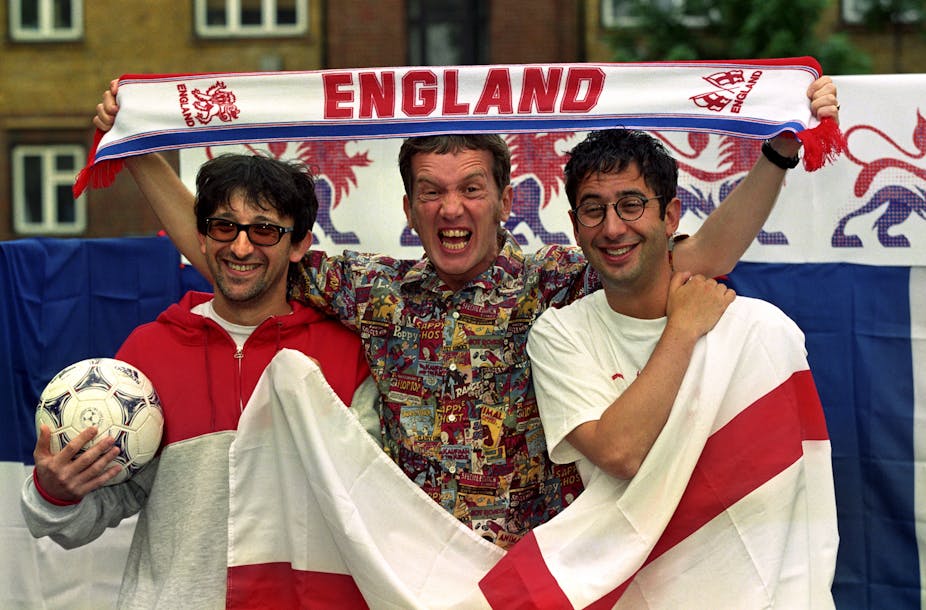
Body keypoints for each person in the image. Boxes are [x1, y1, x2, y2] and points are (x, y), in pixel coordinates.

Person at [91, 76, 839, 549]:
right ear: (410, 209)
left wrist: (775, 153)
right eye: (432, 192)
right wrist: (139, 140)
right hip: (406, 567)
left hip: (538, 567)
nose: (452, 207)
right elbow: (227, 248)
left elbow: (695, 260)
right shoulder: (369, 290)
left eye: (471, 188)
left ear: (507, 200)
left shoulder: (553, 277)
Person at [21, 154, 379, 609]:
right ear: (203, 239)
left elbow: (371, 508)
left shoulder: (346, 354)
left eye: (265, 229)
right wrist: (55, 492)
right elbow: (103, 506)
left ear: (299, 244)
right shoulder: (150, 350)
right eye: (225, 227)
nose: (242, 247)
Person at [524, 128, 838, 605]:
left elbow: (799, 495)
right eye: (594, 209)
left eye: (631, 205)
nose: (612, 228)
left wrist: (783, 147)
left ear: (670, 214)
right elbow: (621, 452)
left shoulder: (759, 329)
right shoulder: (557, 334)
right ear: (574, 223)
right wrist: (683, 329)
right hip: (637, 592)